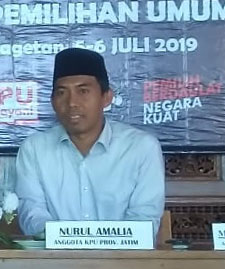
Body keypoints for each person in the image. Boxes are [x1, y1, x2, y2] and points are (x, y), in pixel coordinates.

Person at [15, 48, 165, 236]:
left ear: (106, 97)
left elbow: (144, 219)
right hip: (54, 254)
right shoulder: (34, 149)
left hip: (123, 255)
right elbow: (32, 213)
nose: (72, 103)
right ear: (52, 102)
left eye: (83, 91)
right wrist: (67, 241)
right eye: (62, 93)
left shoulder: (141, 147)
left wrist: (95, 243)